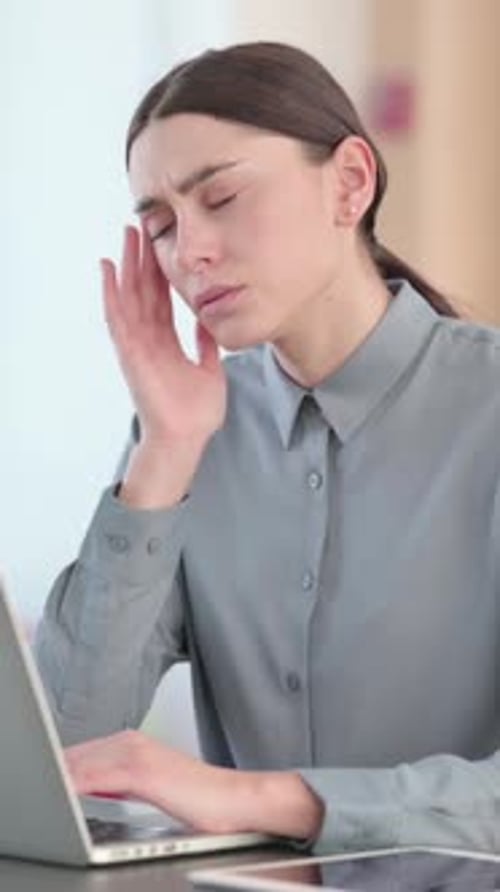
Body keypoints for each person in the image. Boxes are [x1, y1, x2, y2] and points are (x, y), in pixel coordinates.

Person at [35, 41, 500, 854]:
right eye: (164, 227)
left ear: (350, 182)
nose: (192, 253)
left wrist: (257, 798)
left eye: (221, 197)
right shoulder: (186, 431)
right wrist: (166, 454)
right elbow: (63, 748)